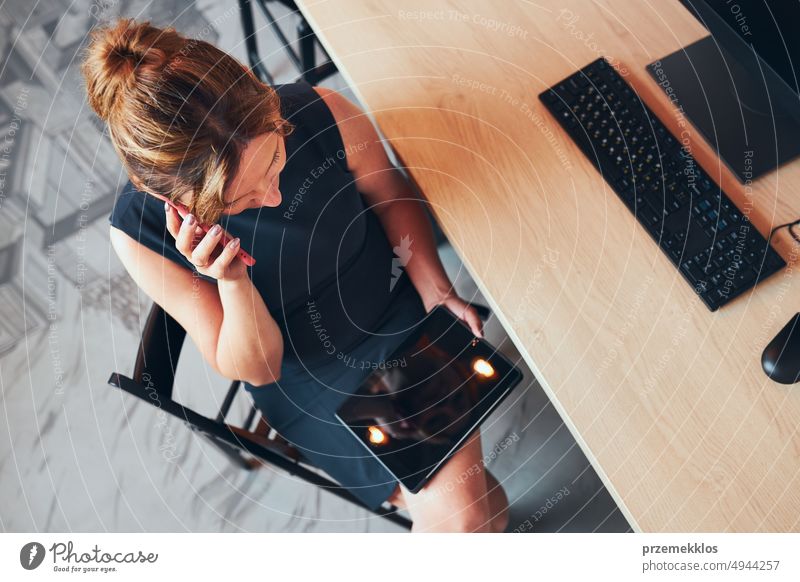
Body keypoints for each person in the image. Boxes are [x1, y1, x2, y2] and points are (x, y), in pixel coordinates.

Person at [83, 18, 509, 532]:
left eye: (276, 161)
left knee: (470, 517)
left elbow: (388, 193)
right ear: (170, 201)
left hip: (395, 309)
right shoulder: (136, 235)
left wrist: (435, 289)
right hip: (306, 381)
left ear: (262, 96)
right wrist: (232, 281)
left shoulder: (321, 110)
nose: (275, 198)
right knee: (469, 518)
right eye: (240, 201)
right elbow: (259, 368)